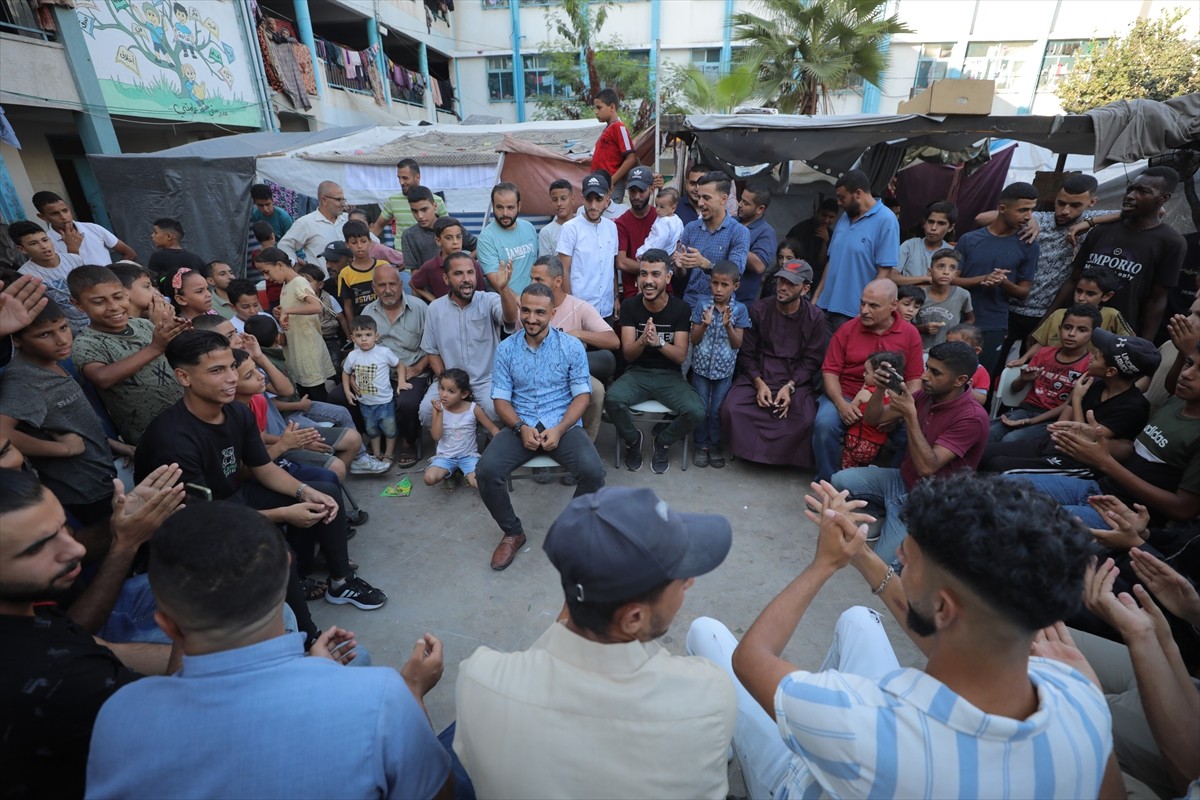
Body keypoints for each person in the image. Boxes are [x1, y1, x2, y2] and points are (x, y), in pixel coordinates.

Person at [698, 473, 1115, 800]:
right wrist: (860, 555)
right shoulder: (1079, 693)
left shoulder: (864, 723)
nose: (896, 558)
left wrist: (822, 565)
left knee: (707, 633)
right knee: (860, 618)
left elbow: (752, 658)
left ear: (943, 608)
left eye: (907, 561)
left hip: (805, 782)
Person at [84, 502, 453, 800]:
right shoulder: (382, 697)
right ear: (287, 568)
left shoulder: (119, 717)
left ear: (167, 626)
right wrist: (414, 693)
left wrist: (310, 667)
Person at [454, 486, 735, 798]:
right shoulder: (708, 695)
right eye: (680, 578)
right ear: (634, 619)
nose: (690, 581)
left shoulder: (478, 680)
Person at [134, 331, 387, 639]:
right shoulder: (173, 439)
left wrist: (303, 491)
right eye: (217, 371)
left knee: (326, 489)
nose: (230, 378)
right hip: (195, 529)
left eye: (231, 367)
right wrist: (284, 513)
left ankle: (340, 582)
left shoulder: (237, 411)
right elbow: (203, 522)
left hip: (231, 499)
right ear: (183, 376)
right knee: (276, 551)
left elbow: (264, 468)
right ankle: (307, 637)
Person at [0, 469, 175, 800]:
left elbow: (77, 636)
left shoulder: (23, 607)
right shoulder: (59, 677)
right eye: (37, 548)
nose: (75, 550)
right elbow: (187, 720)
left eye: (63, 527)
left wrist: (120, 531)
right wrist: (196, 601)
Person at [476, 282, 606, 570]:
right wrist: (520, 426)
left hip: (563, 424)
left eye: (539, 312)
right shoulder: (507, 349)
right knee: (486, 471)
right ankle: (512, 532)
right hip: (519, 424)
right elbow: (500, 399)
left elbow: (582, 395)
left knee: (594, 473)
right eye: (526, 310)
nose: (531, 319)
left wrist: (560, 429)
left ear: (553, 313)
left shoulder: (571, 346)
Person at [1010, 340, 1200, 526]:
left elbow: (1183, 509)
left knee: (1030, 521)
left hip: (1128, 516)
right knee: (1005, 488)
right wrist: (1094, 438)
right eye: (1189, 363)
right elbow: (1136, 452)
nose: (1187, 374)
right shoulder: (1174, 403)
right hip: (1101, 488)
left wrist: (1105, 461)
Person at [832, 340, 990, 557]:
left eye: (935, 372)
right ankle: (889, 512)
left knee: (884, 564)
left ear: (960, 380)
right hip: (903, 481)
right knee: (840, 480)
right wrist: (879, 389)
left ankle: (915, 527)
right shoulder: (926, 395)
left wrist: (909, 415)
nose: (925, 376)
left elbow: (928, 467)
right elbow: (873, 419)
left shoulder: (972, 417)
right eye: (927, 368)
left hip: (930, 499)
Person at [0, 300, 121, 526]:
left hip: (102, 477)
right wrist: (63, 449)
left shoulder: (52, 361)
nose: (62, 339)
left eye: (64, 328)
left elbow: (70, 424)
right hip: (83, 490)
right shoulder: (24, 381)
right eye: (45, 335)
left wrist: (120, 447)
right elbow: (2, 433)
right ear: (17, 340)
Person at [981, 328, 1156, 476]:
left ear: (1110, 371)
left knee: (999, 466)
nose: (1091, 358)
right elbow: (1063, 424)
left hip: (1078, 463)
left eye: (1097, 357)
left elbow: (1086, 442)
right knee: (984, 453)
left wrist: (1077, 398)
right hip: (1055, 444)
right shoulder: (1095, 384)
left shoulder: (1132, 406)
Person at [978, 173, 1113, 359]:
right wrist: (1030, 218)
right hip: (1009, 306)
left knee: (1029, 365)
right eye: (1061, 203)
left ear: (1092, 202)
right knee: (992, 362)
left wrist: (1088, 223)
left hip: (1045, 314)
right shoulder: (1041, 218)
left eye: (1075, 205)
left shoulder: (1092, 220)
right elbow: (982, 218)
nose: (1065, 210)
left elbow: (1154, 213)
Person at [813, 279, 925, 482]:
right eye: (862, 303)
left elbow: (915, 379)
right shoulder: (847, 329)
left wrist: (899, 413)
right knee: (824, 425)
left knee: (913, 436)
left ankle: (890, 488)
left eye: (873, 305)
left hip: (890, 402)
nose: (864, 310)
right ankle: (826, 483)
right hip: (847, 395)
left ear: (893, 306)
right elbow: (830, 372)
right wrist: (841, 405)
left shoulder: (910, 334)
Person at [1056, 166, 1186, 340]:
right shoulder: (1101, 231)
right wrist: (1046, 321)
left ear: (1163, 198)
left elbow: (1157, 300)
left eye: (1143, 191)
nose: (1131, 196)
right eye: (1130, 189)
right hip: (1071, 329)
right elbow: (1073, 280)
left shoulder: (1171, 242)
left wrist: (1142, 345)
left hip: (1117, 337)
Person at [721, 259, 829, 468]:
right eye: (780, 281)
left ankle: (783, 459)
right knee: (731, 409)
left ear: (805, 289)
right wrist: (758, 383)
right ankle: (746, 452)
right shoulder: (759, 309)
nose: (783, 287)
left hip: (794, 378)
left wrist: (790, 386)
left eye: (790, 283)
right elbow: (747, 353)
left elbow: (812, 360)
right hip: (760, 373)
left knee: (806, 419)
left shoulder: (815, 317)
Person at [606, 249, 703, 474]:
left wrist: (659, 342)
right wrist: (643, 340)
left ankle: (663, 441)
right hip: (638, 372)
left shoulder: (680, 308)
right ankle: (633, 440)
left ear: (667, 278)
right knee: (611, 401)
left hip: (669, 376)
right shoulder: (631, 306)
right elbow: (629, 354)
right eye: (643, 274)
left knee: (696, 411)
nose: (648, 281)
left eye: (655, 274)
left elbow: (680, 356)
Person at [68, 266, 187, 445]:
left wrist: (178, 334)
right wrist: (155, 348)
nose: (114, 307)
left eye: (118, 297)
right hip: (153, 436)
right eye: (99, 302)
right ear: (78, 305)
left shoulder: (142, 325)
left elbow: (171, 357)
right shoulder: (87, 343)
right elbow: (102, 377)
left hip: (187, 416)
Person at [418, 253, 517, 426]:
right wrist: (446, 384)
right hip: (449, 381)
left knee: (495, 410)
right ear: (446, 278)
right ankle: (448, 450)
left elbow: (509, 318)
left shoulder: (488, 300)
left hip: (486, 380)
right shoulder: (435, 308)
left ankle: (490, 443)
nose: (466, 279)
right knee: (427, 411)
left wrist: (503, 289)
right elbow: (432, 352)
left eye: (470, 273)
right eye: (458, 274)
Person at [529, 255, 620, 442]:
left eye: (539, 279)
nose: (532, 283)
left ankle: (584, 444)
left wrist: (578, 334)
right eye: (531, 278)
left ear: (558, 281)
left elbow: (613, 340)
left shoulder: (578, 307)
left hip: (571, 372)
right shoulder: (528, 306)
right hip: (534, 370)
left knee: (596, 390)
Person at [348, 264, 430, 467]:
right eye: (381, 285)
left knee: (407, 403)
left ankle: (408, 442)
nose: (387, 290)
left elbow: (435, 347)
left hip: (411, 372)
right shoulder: (368, 311)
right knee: (340, 397)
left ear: (401, 284)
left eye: (392, 284)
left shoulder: (420, 308)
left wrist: (419, 368)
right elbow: (357, 346)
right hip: (374, 374)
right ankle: (369, 438)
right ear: (374, 288)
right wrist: (351, 375)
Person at [955, 182, 1040, 378]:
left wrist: (1004, 282)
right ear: (1002, 208)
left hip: (994, 324)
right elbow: (951, 280)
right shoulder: (969, 239)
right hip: (960, 320)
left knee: (980, 382)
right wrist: (983, 278)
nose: (1029, 216)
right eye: (1023, 210)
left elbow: (1023, 292)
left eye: (1032, 210)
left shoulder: (1028, 245)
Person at [989, 304, 1098, 443]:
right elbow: (1014, 389)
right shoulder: (1044, 352)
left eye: (1081, 330)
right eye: (1067, 327)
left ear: (1093, 334)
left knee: (1011, 440)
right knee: (989, 432)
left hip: (1054, 420)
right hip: (1025, 410)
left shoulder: (1089, 366)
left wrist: (1029, 421)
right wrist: (1023, 379)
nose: (1071, 334)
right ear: (1060, 329)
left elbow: (1068, 406)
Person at [812, 170, 900, 335]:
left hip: (853, 314)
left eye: (842, 197)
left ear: (858, 194)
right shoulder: (845, 217)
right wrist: (817, 297)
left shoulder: (886, 220)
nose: (838, 203)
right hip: (825, 307)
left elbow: (885, 272)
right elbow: (832, 261)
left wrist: (867, 310)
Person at [689, 260, 750, 467]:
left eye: (724, 285)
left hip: (724, 371)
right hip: (700, 368)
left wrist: (728, 327)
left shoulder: (739, 310)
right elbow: (694, 339)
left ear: (735, 286)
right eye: (715, 283)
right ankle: (699, 445)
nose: (718, 289)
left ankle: (714, 446)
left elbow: (737, 344)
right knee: (701, 407)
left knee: (716, 410)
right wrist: (704, 325)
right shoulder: (702, 305)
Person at [256, 247, 335, 403]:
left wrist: (288, 311)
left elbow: (316, 306)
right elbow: (294, 308)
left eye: (267, 271)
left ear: (279, 265)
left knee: (317, 398)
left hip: (308, 352)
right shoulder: (286, 285)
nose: (266, 277)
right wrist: (282, 311)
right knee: (307, 396)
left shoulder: (298, 281)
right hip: (297, 351)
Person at [1011, 268, 1134, 367]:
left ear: (1106, 296)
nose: (1080, 298)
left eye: (1090, 294)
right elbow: (1041, 343)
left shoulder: (1112, 315)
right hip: (1051, 370)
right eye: (1079, 291)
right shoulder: (1058, 314)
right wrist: (1024, 359)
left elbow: (1131, 342)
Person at [676, 172, 750, 311]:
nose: (700, 203)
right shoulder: (691, 228)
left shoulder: (739, 232)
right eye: (699, 197)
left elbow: (735, 273)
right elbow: (681, 274)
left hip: (719, 311)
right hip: (689, 305)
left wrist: (706, 264)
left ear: (723, 199)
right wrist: (679, 266)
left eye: (706, 198)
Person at [558, 173, 620, 320]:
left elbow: (611, 266)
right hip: (580, 310)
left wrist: (616, 296)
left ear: (607, 199)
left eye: (598, 200)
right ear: (583, 199)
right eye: (589, 199)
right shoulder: (570, 228)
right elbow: (563, 270)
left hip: (606, 307)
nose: (593, 206)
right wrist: (570, 306)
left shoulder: (612, 227)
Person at [9, 220, 90, 333]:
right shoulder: (24, 275)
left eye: (45, 240)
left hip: (94, 317)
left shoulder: (74, 259)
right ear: (21, 249)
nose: (43, 246)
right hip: (68, 329)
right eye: (33, 243)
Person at [424, 367, 497, 491]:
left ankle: (463, 473)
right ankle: (451, 472)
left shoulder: (473, 409)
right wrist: (440, 413)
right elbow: (436, 436)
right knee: (429, 478)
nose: (444, 394)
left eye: (451, 391)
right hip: (445, 457)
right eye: (441, 388)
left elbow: (493, 429)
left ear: (464, 394)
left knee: (480, 483)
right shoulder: (438, 408)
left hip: (468, 456)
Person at [342, 315, 400, 465]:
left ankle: (388, 454)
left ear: (376, 336)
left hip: (385, 402)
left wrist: (401, 382)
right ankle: (376, 454)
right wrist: (347, 391)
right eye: (359, 336)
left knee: (390, 430)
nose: (364, 339)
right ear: (352, 338)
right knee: (372, 431)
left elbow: (400, 365)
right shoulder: (353, 355)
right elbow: (345, 372)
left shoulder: (384, 352)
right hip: (365, 403)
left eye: (368, 335)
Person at [33, 190, 137, 265]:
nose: (64, 217)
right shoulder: (46, 243)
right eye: (55, 214)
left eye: (65, 211)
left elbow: (130, 254)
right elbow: (62, 273)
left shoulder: (93, 229)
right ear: (42, 217)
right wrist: (72, 249)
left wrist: (115, 273)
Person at [841, 351, 906, 470]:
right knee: (862, 470)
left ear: (878, 375)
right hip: (875, 447)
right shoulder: (893, 397)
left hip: (855, 441)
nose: (863, 374)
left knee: (848, 468)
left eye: (867, 372)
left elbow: (850, 414)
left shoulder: (863, 394)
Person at [475, 181, 538, 296]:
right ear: (493, 206)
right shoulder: (486, 239)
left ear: (519, 206)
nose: (505, 213)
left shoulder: (529, 228)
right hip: (505, 305)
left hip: (533, 301)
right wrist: (519, 303)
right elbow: (499, 284)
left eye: (510, 207)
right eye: (499, 207)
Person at [277, 180, 348, 274]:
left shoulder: (349, 219)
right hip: (323, 285)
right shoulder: (306, 223)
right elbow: (284, 245)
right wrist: (294, 265)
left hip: (351, 282)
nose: (343, 204)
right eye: (338, 199)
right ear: (324, 200)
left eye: (343, 199)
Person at [401, 185, 478, 272]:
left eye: (424, 210)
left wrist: (464, 263)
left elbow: (480, 247)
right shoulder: (409, 235)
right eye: (414, 211)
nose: (420, 216)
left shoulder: (451, 226)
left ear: (435, 206)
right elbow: (414, 273)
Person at [412, 217, 486, 303]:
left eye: (458, 237)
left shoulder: (473, 265)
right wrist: (435, 301)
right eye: (449, 238)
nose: (455, 242)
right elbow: (413, 283)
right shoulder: (430, 266)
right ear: (438, 241)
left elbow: (482, 293)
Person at [371, 157, 448, 241]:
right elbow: (378, 226)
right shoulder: (393, 200)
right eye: (399, 178)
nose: (401, 182)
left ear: (417, 177)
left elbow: (447, 228)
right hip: (400, 253)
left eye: (405, 178)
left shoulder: (436, 201)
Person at [913, 248, 974, 349]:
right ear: (930, 271)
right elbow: (906, 325)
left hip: (947, 351)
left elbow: (970, 319)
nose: (946, 272)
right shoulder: (920, 294)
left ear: (955, 274)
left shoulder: (962, 295)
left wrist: (956, 332)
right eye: (940, 267)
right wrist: (923, 328)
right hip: (919, 350)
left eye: (952, 268)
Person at [614, 165, 659, 301]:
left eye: (641, 191)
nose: (636, 196)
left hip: (662, 293)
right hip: (633, 295)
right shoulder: (621, 222)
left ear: (651, 190)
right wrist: (657, 270)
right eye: (632, 191)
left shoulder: (662, 218)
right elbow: (621, 262)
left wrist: (643, 269)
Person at [591, 87, 638, 200]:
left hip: (611, 186)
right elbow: (610, 156)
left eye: (599, 108)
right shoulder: (608, 128)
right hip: (600, 184)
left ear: (612, 107)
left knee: (611, 216)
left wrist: (611, 181)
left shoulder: (619, 127)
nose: (596, 112)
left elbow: (631, 158)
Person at [893, 201, 956, 286]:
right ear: (924, 223)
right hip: (910, 297)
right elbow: (892, 276)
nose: (933, 228)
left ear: (950, 227)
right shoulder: (910, 245)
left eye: (941, 223)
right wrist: (926, 278)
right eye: (930, 222)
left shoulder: (951, 252)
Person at [733, 184, 777, 303]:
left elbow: (759, 266)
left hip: (741, 301)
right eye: (741, 200)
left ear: (760, 209)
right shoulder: (731, 221)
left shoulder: (766, 232)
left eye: (746, 203)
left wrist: (735, 243)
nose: (740, 205)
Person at [338, 219, 387, 321]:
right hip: (362, 328)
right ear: (347, 244)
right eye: (354, 242)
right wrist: (353, 330)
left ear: (370, 241)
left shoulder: (383, 266)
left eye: (363, 241)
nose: (360, 246)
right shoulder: (345, 273)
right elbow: (348, 306)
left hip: (385, 321)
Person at [784, 197, 838, 285]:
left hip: (817, 280)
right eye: (824, 215)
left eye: (831, 217)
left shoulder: (832, 235)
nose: (826, 220)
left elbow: (822, 263)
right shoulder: (800, 229)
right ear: (817, 213)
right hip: (796, 275)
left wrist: (825, 241)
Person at [945, 323, 993, 404]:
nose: (949, 348)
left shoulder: (980, 371)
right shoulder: (941, 364)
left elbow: (981, 400)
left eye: (957, 345)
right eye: (947, 343)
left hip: (961, 411)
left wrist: (966, 387)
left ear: (976, 351)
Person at [635, 187, 684, 259]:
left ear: (673, 208)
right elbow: (681, 235)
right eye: (656, 205)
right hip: (670, 250)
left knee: (640, 253)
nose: (657, 209)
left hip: (655, 249)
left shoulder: (663, 221)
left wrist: (652, 254)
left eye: (662, 207)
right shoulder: (677, 219)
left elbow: (661, 239)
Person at [539, 178, 576, 257]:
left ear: (573, 199)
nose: (559, 203)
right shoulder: (546, 232)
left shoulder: (582, 224)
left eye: (563, 198)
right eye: (555, 199)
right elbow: (546, 265)